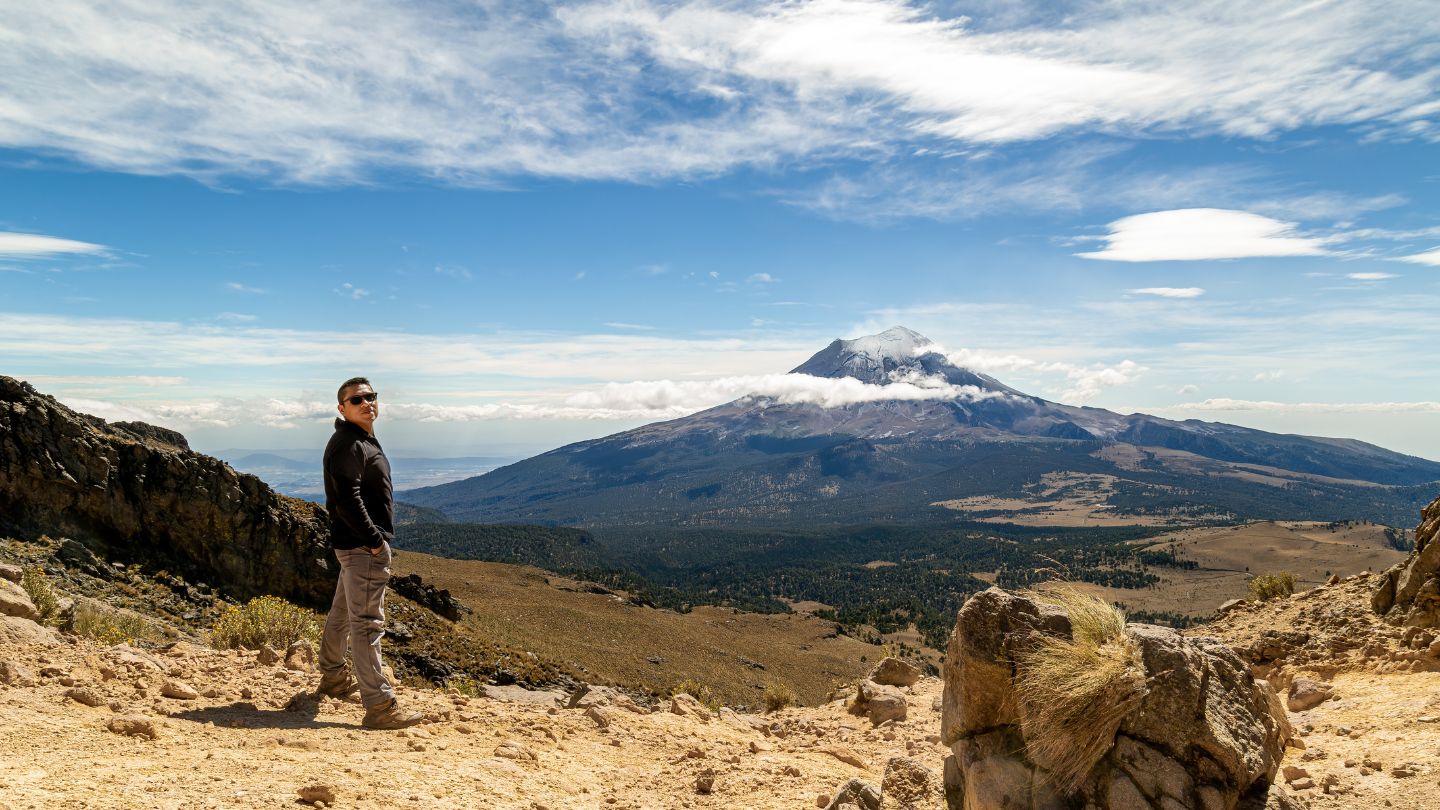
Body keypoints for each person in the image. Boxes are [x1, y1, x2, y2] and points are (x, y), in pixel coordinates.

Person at [315, 376, 423, 730]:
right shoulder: (350, 443)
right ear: (342, 408)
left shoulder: (356, 440)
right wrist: (375, 539)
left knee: (343, 612)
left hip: (352, 546)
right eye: (357, 399)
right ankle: (380, 707)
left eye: (371, 396)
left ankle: (333, 676)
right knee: (367, 625)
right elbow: (347, 498)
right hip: (363, 548)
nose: (367, 403)